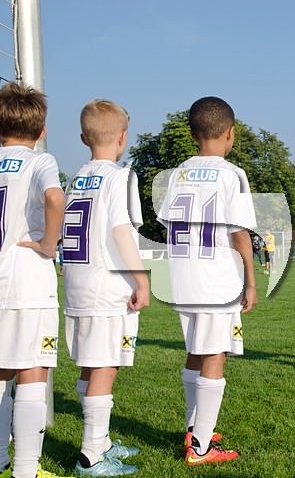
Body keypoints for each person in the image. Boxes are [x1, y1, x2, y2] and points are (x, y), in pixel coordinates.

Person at [158, 96, 257, 466]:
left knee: (196, 349)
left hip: (183, 273)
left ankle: (194, 426)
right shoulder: (232, 174)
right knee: (215, 352)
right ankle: (200, 447)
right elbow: (239, 233)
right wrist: (250, 281)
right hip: (216, 275)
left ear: (192, 134)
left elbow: (168, 225)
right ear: (231, 133)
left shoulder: (177, 173)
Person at [63, 100, 149, 476]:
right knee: (105, 366)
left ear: (84, 139)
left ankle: (102, 442)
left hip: (78, 283)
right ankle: (91, 456)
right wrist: (141, 279)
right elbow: (121, 231)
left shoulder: (76, 177)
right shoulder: (121, 176)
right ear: (123, 137)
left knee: (90, 364)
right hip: (106, 284)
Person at [0, 83, 70, 478]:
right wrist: (47, 242)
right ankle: (26, 469)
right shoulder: (40, 160)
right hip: (26, 278)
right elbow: (55, 198)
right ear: (41, 130)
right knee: (32, 370)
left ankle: (0, 461)